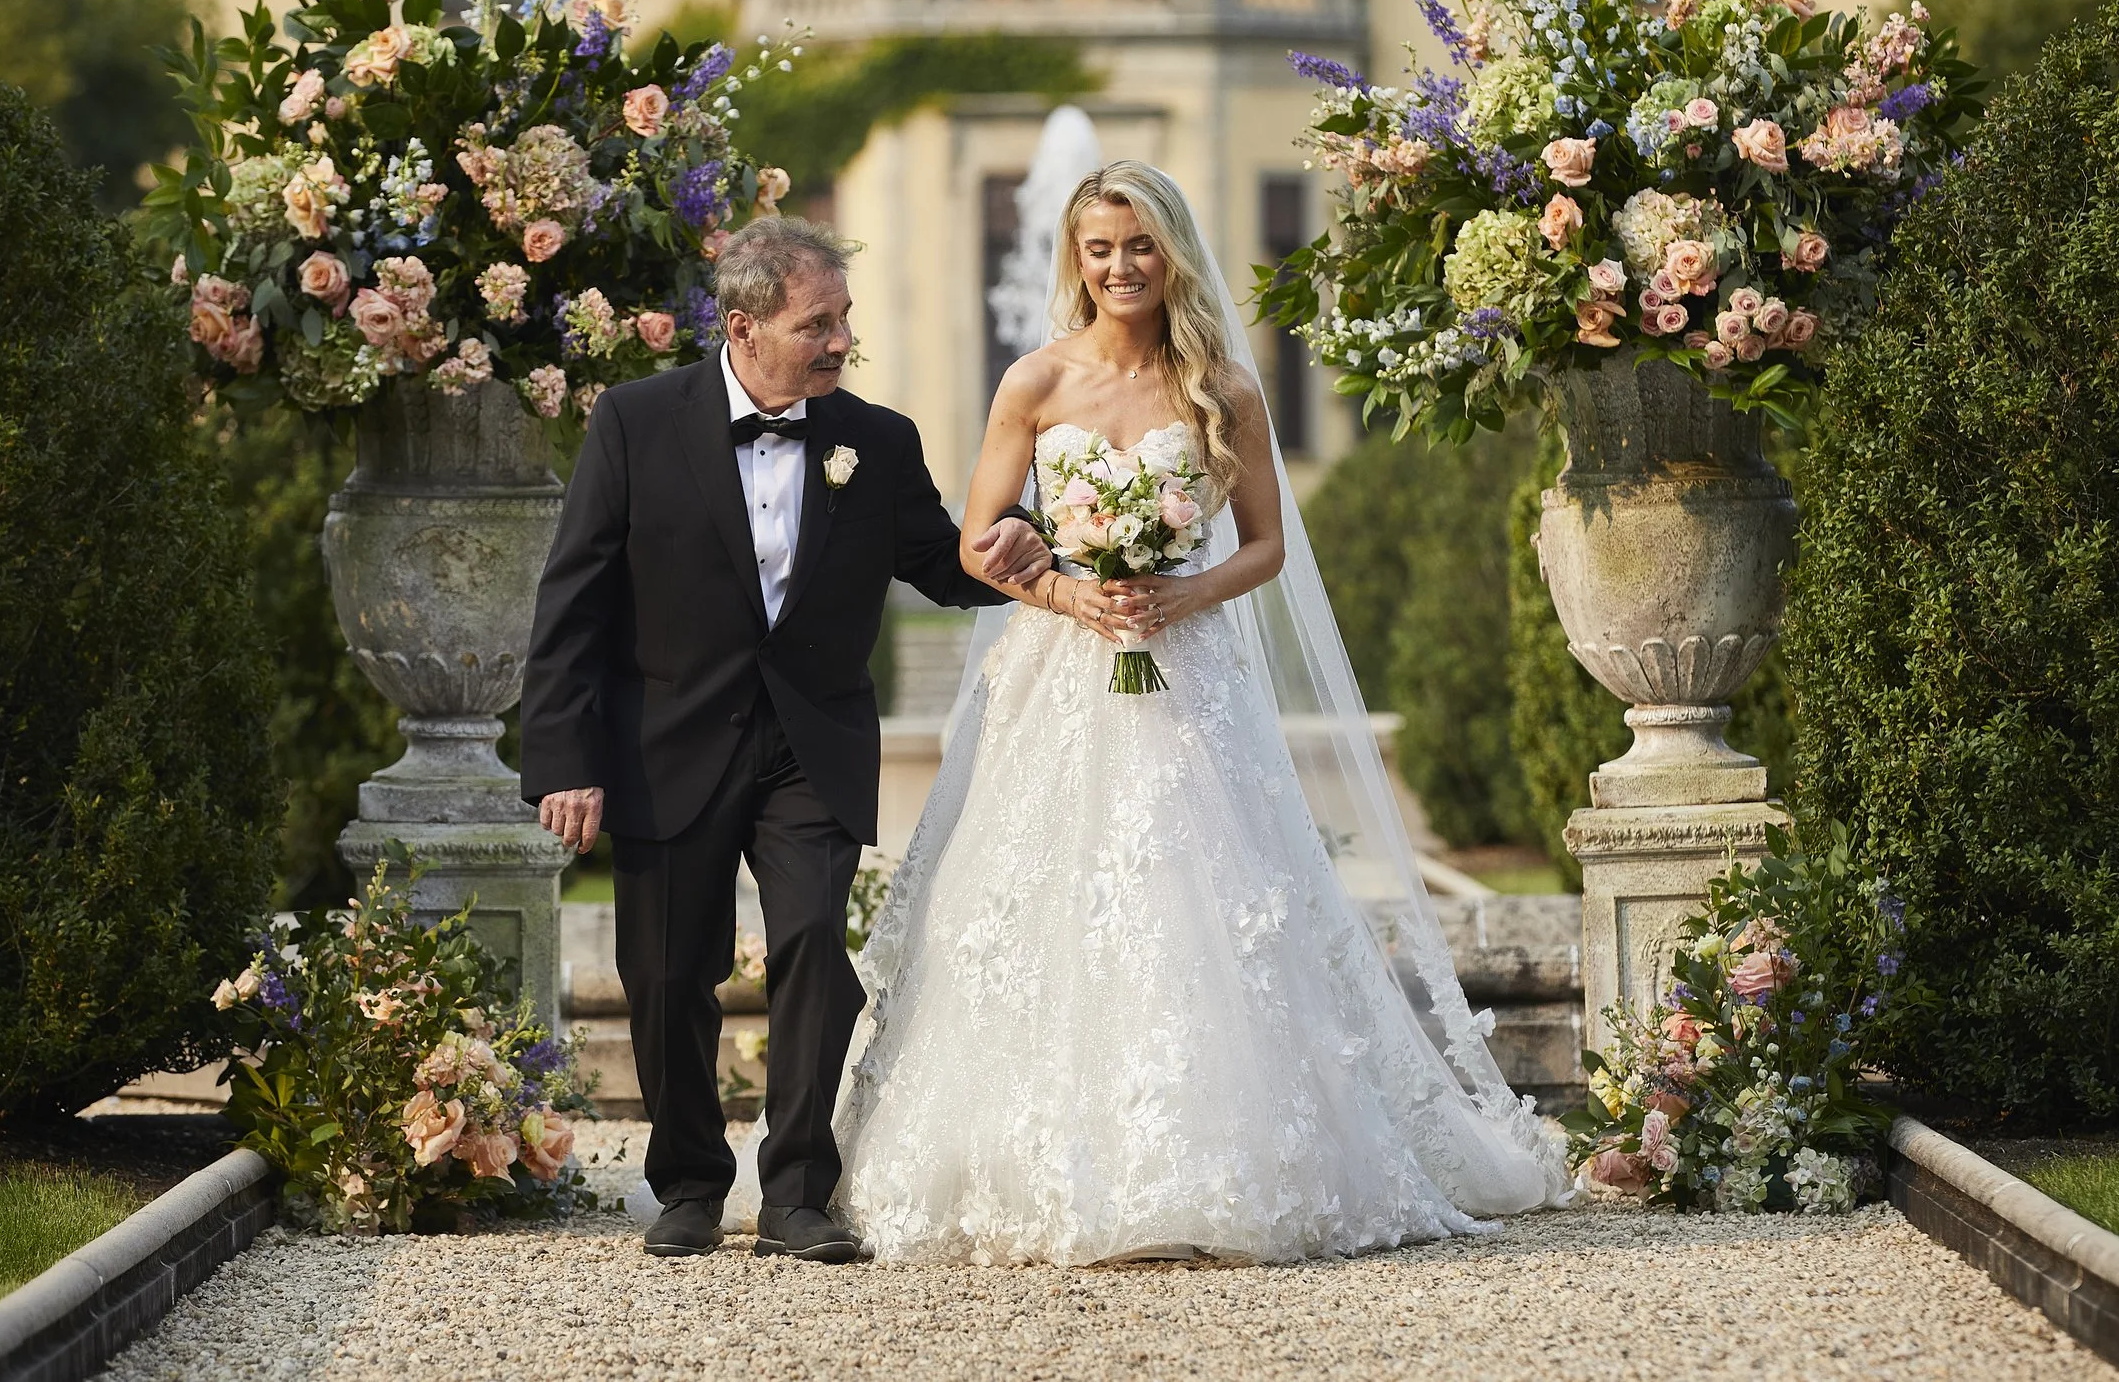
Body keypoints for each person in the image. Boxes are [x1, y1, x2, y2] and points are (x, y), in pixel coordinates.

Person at [832, 161, 1568, 1265]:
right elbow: (981, 546)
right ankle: (1041, 1166)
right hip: (1063, 671)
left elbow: (1269, 542)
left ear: (1169, 250)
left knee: (1198, 885)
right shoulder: (1032, 382)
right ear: (1073, 262)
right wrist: (1071, 591)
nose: (1119, 266)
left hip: (1190, 666)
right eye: (1098, 248)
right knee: (1048, 898)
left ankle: (1213, 1166)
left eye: (1137, 244)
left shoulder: (1222, 385)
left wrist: (1182, 590)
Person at [520, 216, 1049, 1265]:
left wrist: (1023, 538)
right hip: (664, 742)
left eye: (844, 318)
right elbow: (571, 601)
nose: (840, 339)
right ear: (745, 322)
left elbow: (939, 566)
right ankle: (686, 1183)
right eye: (819, 322)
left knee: (814, 943)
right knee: (667, 970)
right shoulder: (633, 422)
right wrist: (563, 758)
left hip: (812, 741)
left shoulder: (877, 438)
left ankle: (800, 1191)